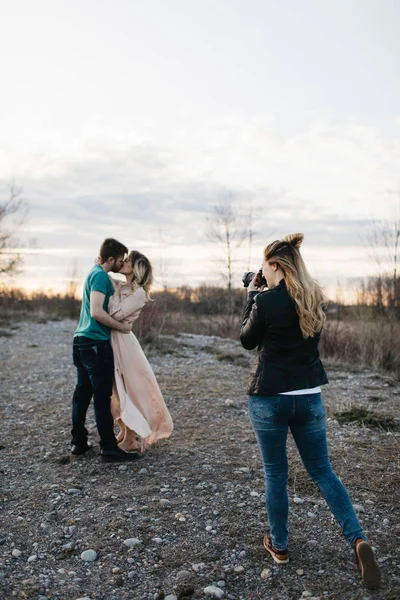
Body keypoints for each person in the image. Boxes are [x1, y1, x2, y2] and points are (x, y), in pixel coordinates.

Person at [240, 233, 381, 590]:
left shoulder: (266, 301)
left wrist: (251, 298)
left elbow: (246, 340)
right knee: (323, 472)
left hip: (270, 398)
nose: (263, 273)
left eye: (265, 267)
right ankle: (357, 539)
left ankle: (281, 545)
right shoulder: (314, 299)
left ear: (275, 266)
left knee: (276, 473)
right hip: (309, 398)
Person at [71, 238, 141, 462]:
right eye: (119, 260)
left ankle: (78, 443)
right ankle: (109, 448)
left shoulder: (93, 272)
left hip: (81, 340)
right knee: (102, 397)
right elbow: (96, 312)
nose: (121, 264)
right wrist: (122, 327)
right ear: (111, 259)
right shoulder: (100, 276)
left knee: (82, 394)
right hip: (95, 342)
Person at [108, 250, 173, 452]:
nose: (123, 262)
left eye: (128, 261)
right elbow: (105, 277)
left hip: (124, 344)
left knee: (128, 388)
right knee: (116, 389)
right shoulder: (124, 286)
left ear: (136, 269)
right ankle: (124, 432)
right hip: (114, 339)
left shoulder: (139, 293)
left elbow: (115, 314)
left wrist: (114, 292)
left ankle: (131, 439)